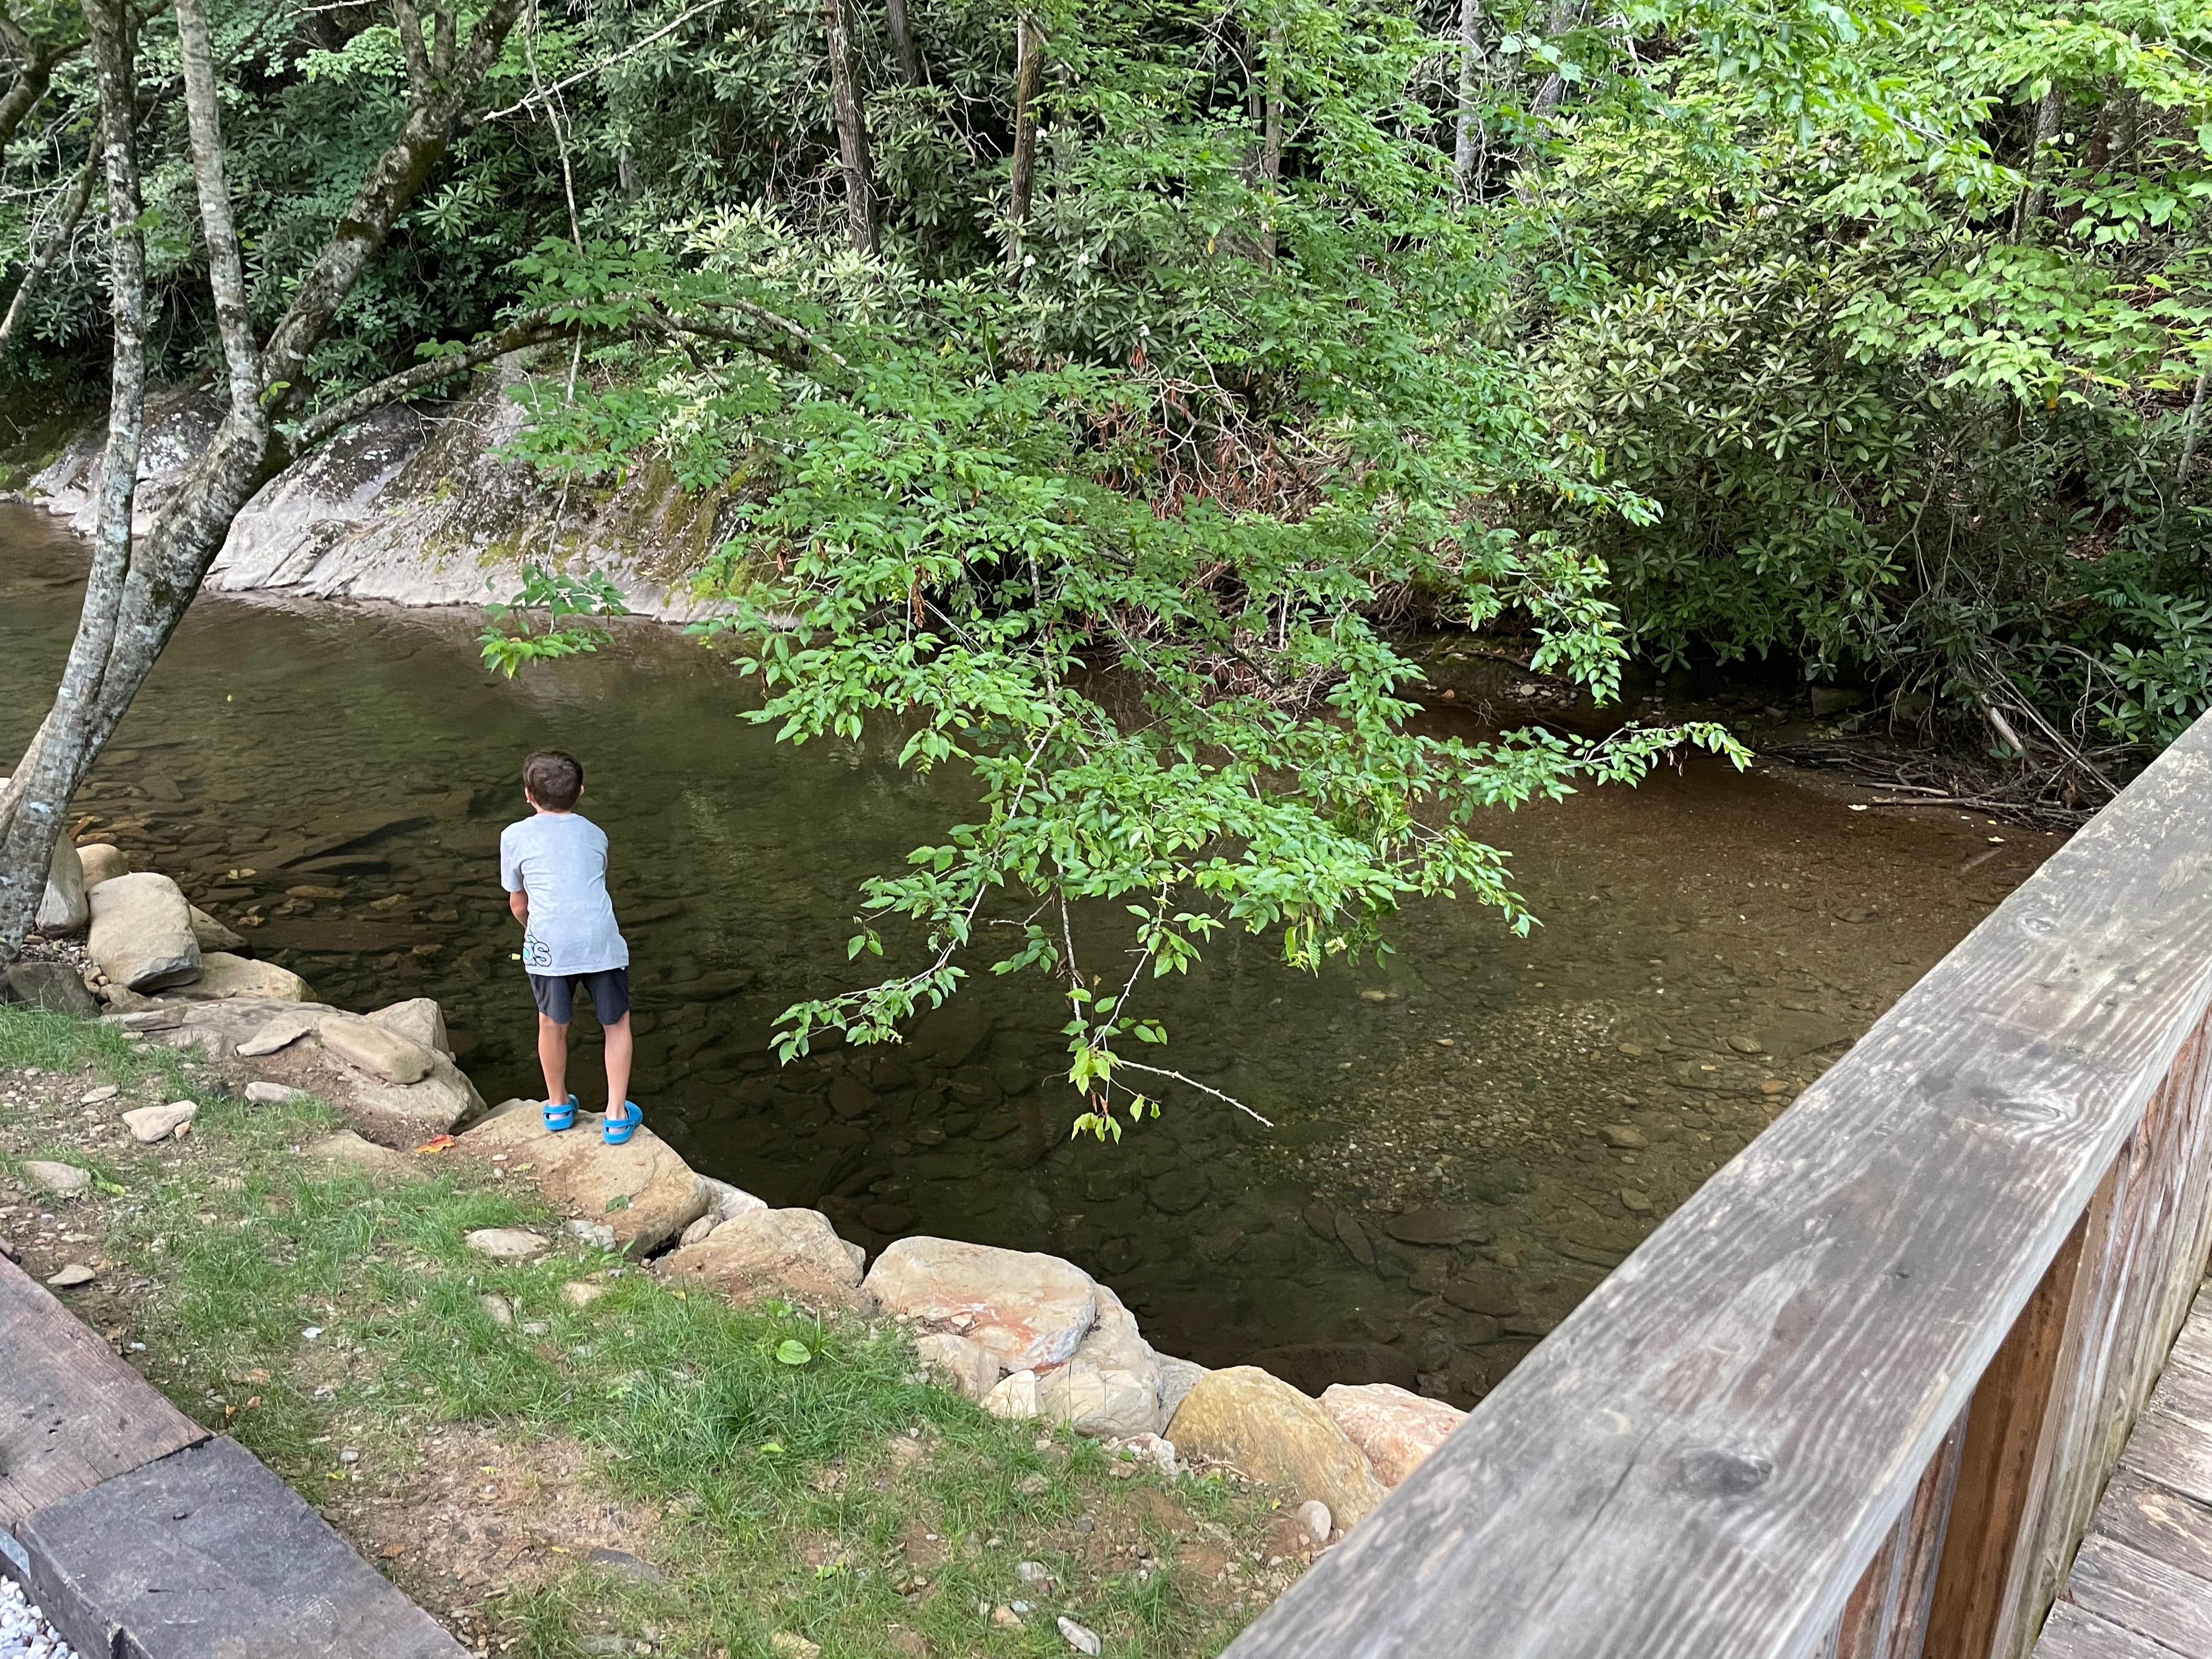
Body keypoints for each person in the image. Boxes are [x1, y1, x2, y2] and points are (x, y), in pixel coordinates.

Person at [499, 749, 639, 1144]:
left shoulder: (513, 836)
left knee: (551, 1023)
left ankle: (558, 1106)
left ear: (528, 795)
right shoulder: (596, 833)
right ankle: (615, 1116)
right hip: (600, 941)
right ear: (581, 791)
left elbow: (519, 904)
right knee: (617, 1025)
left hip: (548, 945)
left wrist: (534, 930)